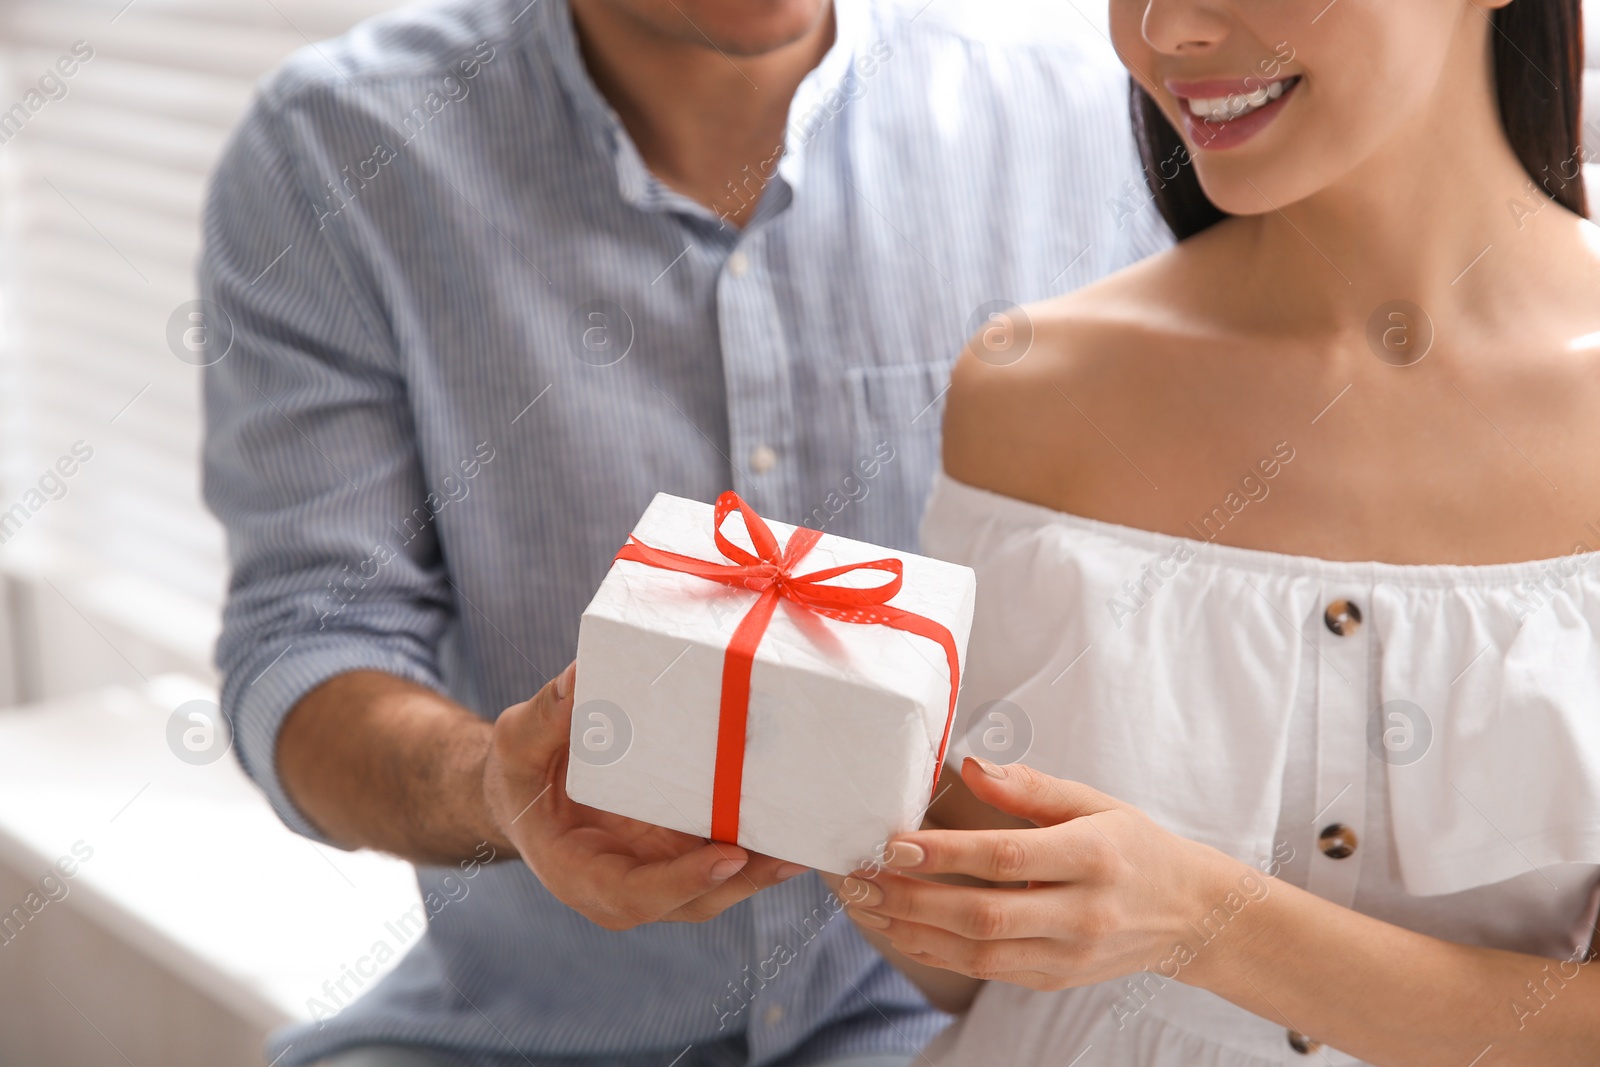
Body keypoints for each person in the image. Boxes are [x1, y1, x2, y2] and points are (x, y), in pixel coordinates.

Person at [198, 0, 1169, 1063]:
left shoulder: (1091, 116)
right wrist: (493, 781)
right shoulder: (336, 148)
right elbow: (307, 638)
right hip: (524, 1033)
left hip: (956, 1026)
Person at [830, 0, 1600, 1063]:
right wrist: (845, 823)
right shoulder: (1028, 387)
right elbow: (967, 977)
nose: (1165, 29)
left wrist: (1205, 921)